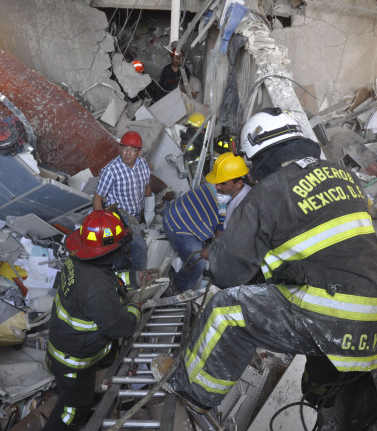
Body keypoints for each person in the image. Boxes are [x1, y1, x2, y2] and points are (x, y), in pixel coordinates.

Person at [153, 108, 377, 413]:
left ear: (259, 157)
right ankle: (320, 396)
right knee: (317, 349)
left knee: (227, 310)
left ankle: (192, 391)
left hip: (337, 308)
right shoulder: (346, 177)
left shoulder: (268, 191)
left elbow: (227, 273)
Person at [45, 210, 142, 429]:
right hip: (74, 361)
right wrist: (135, 310)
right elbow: (120, 326)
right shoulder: (96, 287)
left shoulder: (79, 261)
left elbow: (108, 282)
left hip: (63, 345)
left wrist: (136, 278)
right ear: (109, 250)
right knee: (73, 409)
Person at [163, 153, 250, 292]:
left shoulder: (243, 204)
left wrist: (213, 250)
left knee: (207, 256)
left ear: (239, 183)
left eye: (223, 184)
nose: (217, 186)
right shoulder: (230, 191)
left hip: (186, 216)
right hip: (178, 224)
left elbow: (224, 231)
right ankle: (178, 287)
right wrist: (211, 251)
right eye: (217, 182)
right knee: (199, 264)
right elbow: (222, 233)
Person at [93, 131, 154, 270]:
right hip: (119, 217)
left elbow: (148, 186)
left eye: (132, 150)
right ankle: (137, 279)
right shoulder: (110, 171)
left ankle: (123, 268)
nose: (128, 153)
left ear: (139, 152)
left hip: (136, 214)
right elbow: (98, 197)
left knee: (123, 248)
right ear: (119, 149)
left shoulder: (143, 165)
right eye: (125, 148)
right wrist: (101, 223)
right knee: (139, 247)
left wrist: (149, 208)